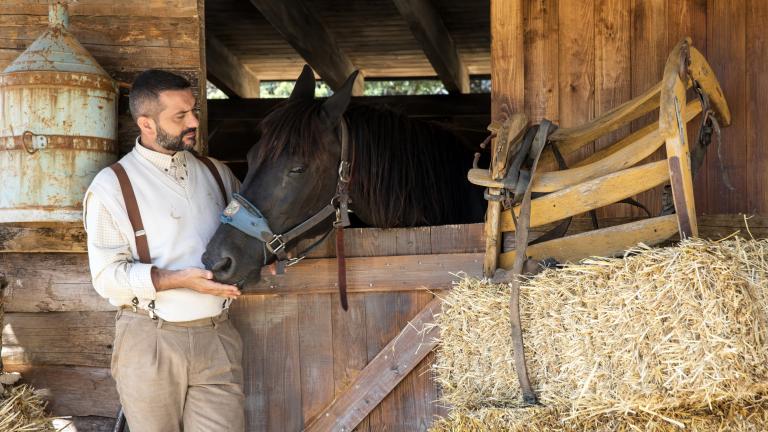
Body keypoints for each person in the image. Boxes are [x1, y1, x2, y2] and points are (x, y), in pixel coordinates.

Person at [83, 69, 244, 431]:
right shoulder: (112, 186)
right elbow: (107, 279)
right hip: (151, 340)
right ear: (147, 124)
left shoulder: (218, 174)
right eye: (180, 116)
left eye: (194, 111)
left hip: (217, 335)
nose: (194, 122)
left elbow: (251, 234)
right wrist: (180, 280)